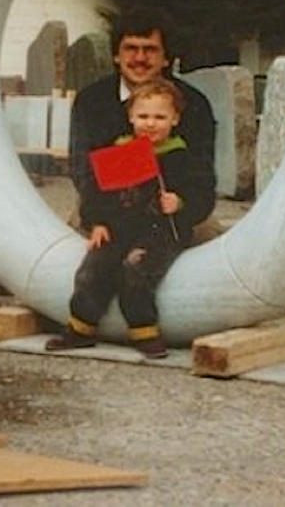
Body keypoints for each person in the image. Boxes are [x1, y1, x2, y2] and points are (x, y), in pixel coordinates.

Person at [47, 79, 215, 357]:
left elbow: (202, 195)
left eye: (160, 117)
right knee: (93, 268)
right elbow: (98, 192)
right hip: (119, 228)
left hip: (161, 232)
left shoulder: (182, 156)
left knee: (136, 268)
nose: (150, 124)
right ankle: (80, 328)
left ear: (175, 119)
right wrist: (98, 222)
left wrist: (180, 203)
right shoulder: (124, 150)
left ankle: (144, 331)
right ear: (131, 117)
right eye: (143, 116)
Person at [67, 7, 215, 228]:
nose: (140, 58)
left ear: (166, 58)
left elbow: (202, 179)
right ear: (116, 55)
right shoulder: (90, 101)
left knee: (212, 241)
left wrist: (178, 207)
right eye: (131, 48)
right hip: (104, 211)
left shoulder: (193, 103)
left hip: (175, 216)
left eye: (150, 49)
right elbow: (83, 170)